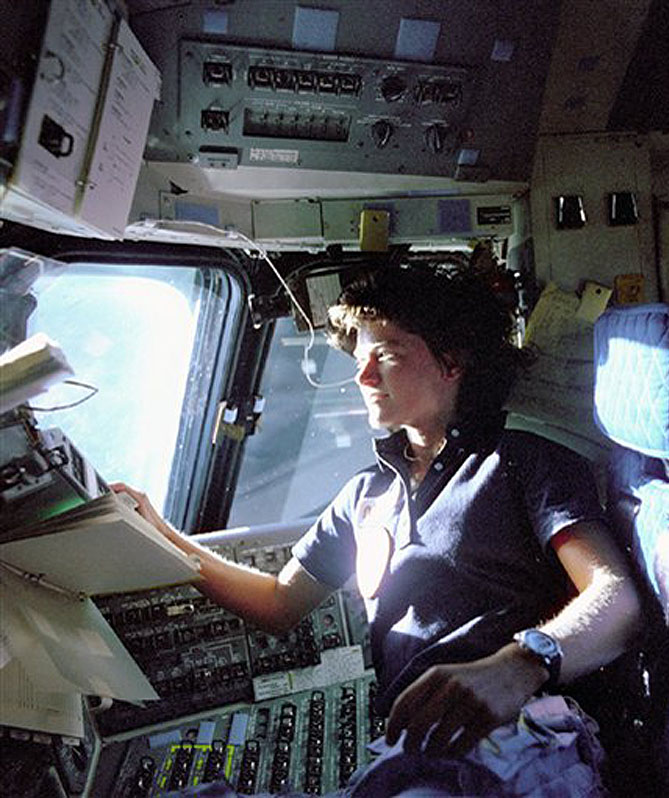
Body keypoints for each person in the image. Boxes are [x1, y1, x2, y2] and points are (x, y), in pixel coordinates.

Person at [114, 264, 642, 797]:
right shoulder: (364, 495)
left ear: (451, 360)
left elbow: (617, 600)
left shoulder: (523, 464)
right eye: (361, 358)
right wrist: (161, 536)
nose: (364, 377)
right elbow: (279, 602)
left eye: (386, 354)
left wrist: (521, 664)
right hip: (417, 750)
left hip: (523, 732)